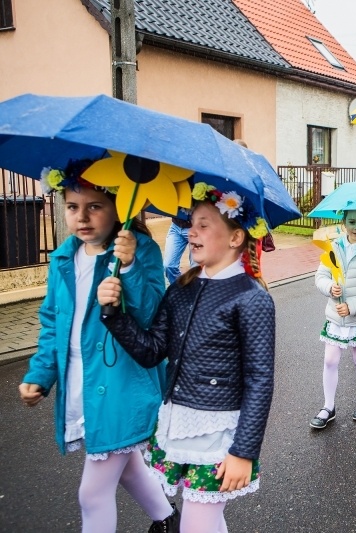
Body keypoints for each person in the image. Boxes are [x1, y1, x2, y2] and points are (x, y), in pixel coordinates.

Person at [98, 182, 275, 532]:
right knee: (205, 521)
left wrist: (243, 450)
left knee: (196, 523)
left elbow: (260, 380)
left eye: (203, 225)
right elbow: (151, 351)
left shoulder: (252, 298)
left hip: (219, 431)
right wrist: (114, 314)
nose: (190, 232)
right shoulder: (181, 288)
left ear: (235, 237)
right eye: (191, 224)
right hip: (178, 420)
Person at [19, 162, 177, 533]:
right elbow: (53, 322)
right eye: (73, 207)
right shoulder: (64, 257)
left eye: (95, 206)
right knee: (127, 465)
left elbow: (153, 315)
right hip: (82, 383)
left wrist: (130, 268)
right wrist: (41, 374)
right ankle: (168, 520)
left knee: (92, 495)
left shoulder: (140, 251)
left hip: (122, 385)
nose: (82, 217)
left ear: (119, 208)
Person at [310, 209, 356, 429]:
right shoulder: (334, 246)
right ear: (343, 222)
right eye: (352, 221)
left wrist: (351, 307)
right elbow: (321, 275)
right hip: (335, 316)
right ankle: (328, 406)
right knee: (330, 360)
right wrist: (329, 287)